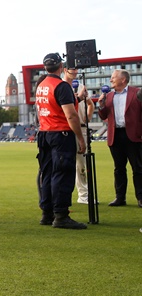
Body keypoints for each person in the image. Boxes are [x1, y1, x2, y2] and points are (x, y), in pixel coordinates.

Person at [35, 53, 87, 229]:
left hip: (45, 132)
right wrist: (80, 138)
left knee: (47, 173)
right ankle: (61, 215)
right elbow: (71, 115)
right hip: (60, 133)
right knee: (62, 174)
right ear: (61, 66)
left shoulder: (41, 85)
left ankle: (47, 212)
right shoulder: (61, 86)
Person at [97, 69, 142, 207]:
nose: (111, 80)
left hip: (134, 135)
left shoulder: (137, 93)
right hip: (115, 135)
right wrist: (101, 105)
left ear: (123, 80)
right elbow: (104, 116)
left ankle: (141, 198)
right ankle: (120, 197)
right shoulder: (108, 96)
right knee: (119, 169)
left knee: (138, 168)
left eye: (113, 77)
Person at [63, 67, 94, 204]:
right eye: (72, 69)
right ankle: (67, 197)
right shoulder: (62, 86)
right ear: (65, 70)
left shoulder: (81, 86)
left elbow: (91, 104)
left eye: (76, 70)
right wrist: (78, 98)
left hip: (81, 128)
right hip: (66, 129)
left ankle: (84, 194)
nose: (75, 72)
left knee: (81, 164)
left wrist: (87, 118)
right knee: (66, 164)